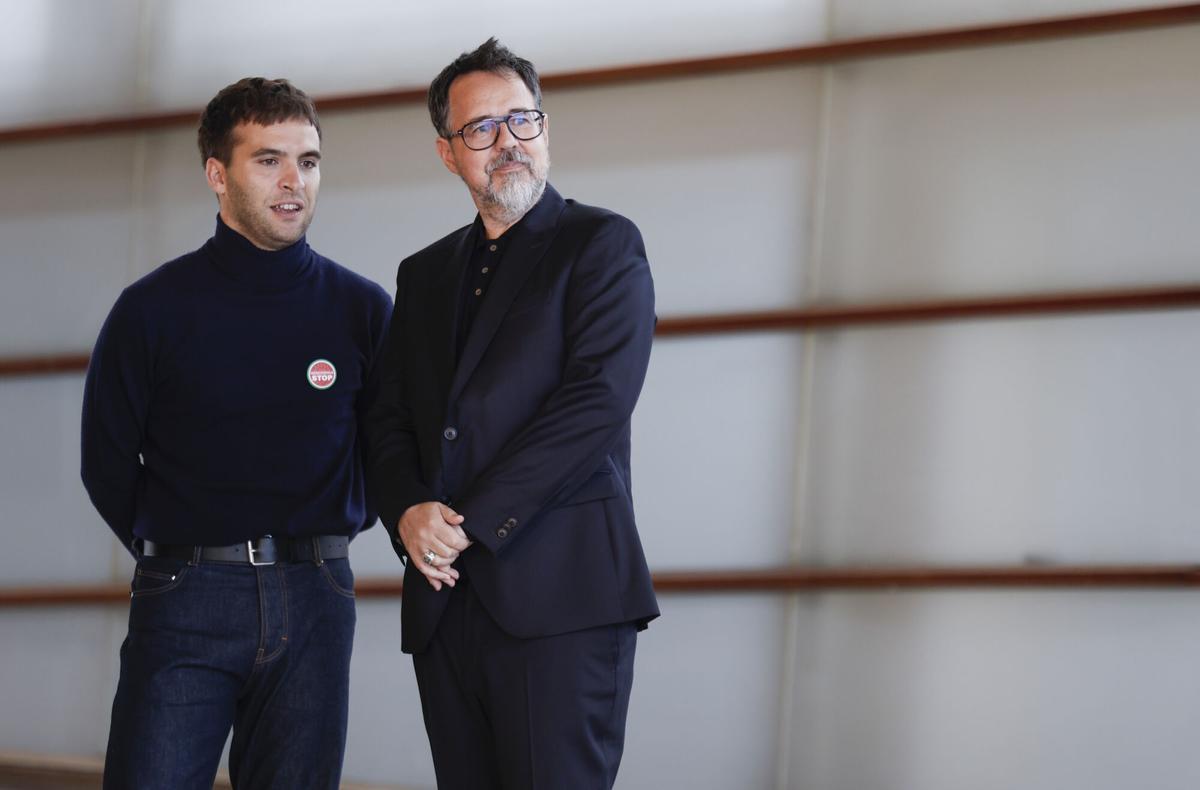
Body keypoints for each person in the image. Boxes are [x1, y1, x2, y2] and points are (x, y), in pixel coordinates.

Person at [81, 77, 391, 790]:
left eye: (309, 162)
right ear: (217, 175)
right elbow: (105, 461)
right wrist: (182, 552)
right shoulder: (150, 311)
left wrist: (320, 539)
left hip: (318, 597)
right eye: (269, 160)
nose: (294, 181)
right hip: (186, 595)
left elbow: (389, 454)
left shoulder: (363, 310)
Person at [366, 38, 659, 788]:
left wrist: (464, 524)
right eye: (481, 129)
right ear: (447, 152)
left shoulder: (601, 245)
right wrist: (405, 514)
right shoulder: (424, 274)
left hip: (560, 597)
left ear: (545, 129)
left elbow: (595, 404)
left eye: (522, 121)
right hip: (444, 606)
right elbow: (388, 416)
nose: (507, 143)